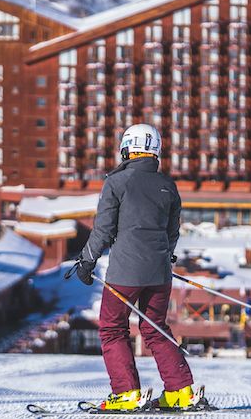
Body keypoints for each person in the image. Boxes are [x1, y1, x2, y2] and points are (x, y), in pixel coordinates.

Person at [72, 123, 197, 412]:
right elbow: (172, 232)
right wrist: (163, 256)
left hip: (125, 271)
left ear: (128, 148)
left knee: (112, 328)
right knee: (155, 328)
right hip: (160, 271)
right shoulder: (168, 185)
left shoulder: (116, 183)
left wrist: (87, 259)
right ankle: (180, 391)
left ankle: (126, 393)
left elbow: (102, 229)